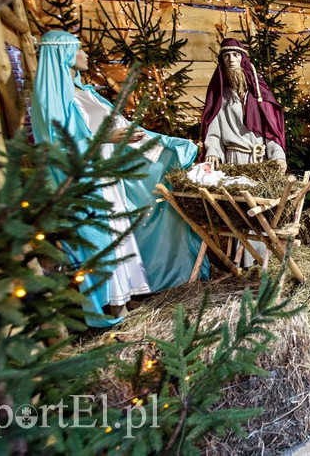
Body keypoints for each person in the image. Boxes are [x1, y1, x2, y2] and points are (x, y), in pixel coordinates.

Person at [31, 30, 208, 328]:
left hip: (109, 178)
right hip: (85, 183)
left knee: (119, 238)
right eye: (78, 50)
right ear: (62, 54)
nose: (85, 55)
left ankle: (122, 302)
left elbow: (120, 128)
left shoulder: (86, 93)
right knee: (100, 243)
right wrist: (106, 137)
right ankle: (107, 311)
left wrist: (166, 146)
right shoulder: (52, 101)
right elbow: (60, 145)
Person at [201, 38, 287, 172]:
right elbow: (213, 131)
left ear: (243, 59)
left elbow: (271, 129)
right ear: (222, 61)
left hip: (260, 160)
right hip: (234, 161)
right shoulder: (220, 97)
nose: (231, 59)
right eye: (226, 56)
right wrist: (212, 150)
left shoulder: (259, 94)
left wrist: (278, 155)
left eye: (236, 55)